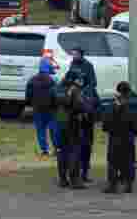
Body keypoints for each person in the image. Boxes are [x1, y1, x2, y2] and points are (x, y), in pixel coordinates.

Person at [64, 47, 99, 184]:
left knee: (86, 146)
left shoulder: (88, 66)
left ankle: (84, 173)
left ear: (81, 54)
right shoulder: (72, 65)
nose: (73, 56)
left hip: (86, 116)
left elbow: (92, 83)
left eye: (76, 54)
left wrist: (84, 94)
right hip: (74, 121)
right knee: (74, 147)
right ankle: (73, 175)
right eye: (72, 54)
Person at [103, 81, 137, 193]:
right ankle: (129, 184)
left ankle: (113, 185)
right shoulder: (136, 103)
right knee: (129, 160)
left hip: (115, 135)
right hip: (129, 135)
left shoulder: (113, 104)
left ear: (118, 91)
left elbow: (106, 121)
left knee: (113, 161)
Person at [55, 75, 88, 189]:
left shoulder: (59, 88)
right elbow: (80, 106)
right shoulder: (75, 90)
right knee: (74, 151)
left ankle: (63, 179)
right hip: (73, 123)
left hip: (60, 122)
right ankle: (75, 180)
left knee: (62, 151)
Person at [26, 58, 60, 158]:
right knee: (54, 130)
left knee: (40, 130)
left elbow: (28, 95)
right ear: (48, 69)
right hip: (51, 109)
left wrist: (31, 104)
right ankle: (57, 149)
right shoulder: (53, 81)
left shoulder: (31, 80)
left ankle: (44, 150)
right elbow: (56, 96)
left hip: (37, 109)